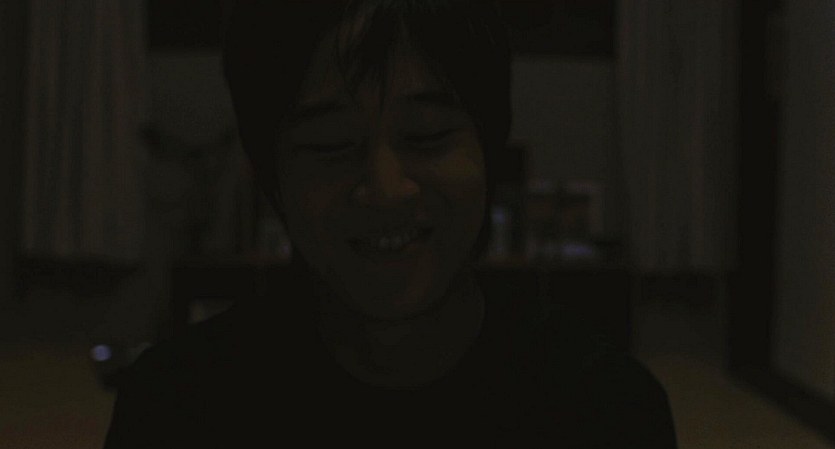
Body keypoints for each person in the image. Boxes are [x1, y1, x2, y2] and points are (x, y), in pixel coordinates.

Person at [104, 1, 678, 447]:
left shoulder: (603, 411)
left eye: (426, 136)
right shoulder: (177, 409)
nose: (385, 189)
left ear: (489, 148)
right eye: (330, 145)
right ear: (270, 175)